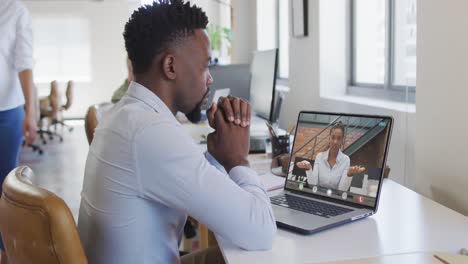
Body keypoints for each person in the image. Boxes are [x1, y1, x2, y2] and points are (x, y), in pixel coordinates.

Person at [77, 1, 276, 264]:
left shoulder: (126, 115)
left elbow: (192, 184)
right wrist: (238, 159)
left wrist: (216, 155)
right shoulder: (150, 132)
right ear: (170, 66)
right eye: (205, 66)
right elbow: (261, 232)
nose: (210, 79)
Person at [0, 0, 37, 263]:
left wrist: (31, 112)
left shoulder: (15, 11)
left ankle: (5, 252)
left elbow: (24, 64)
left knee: (4, 187)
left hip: (7, 112)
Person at [296, 122, 365, 191]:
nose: (335, 141)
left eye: (339, 138)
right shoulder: (319, 157)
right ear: (329, 138)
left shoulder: (346, 160)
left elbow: (341, 190)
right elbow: (313, 185)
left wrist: (349, 174)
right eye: (333, 137)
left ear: (342, 141)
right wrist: (309, 168)